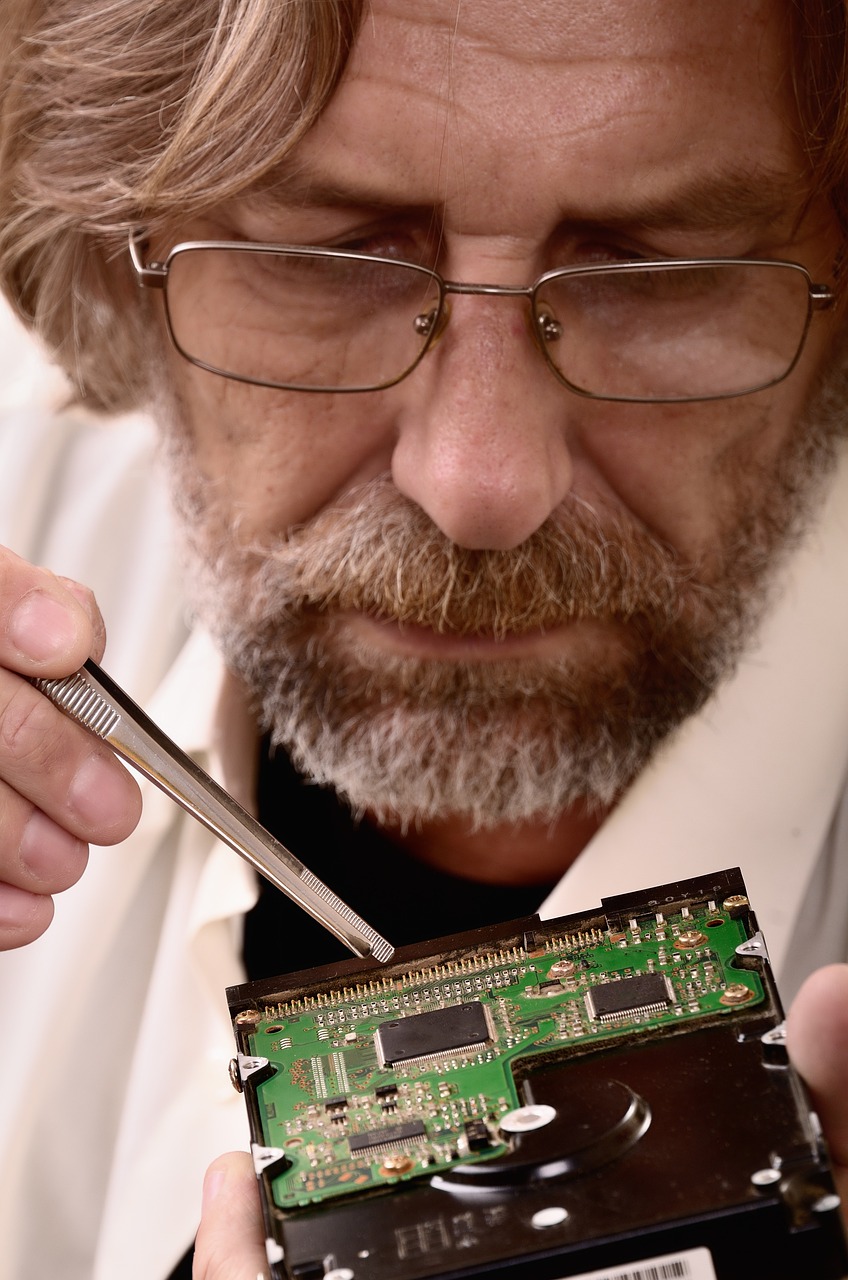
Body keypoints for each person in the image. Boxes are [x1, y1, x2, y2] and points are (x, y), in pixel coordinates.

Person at [0, 0, 847, 1276]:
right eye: (329, 257)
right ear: (122, 245)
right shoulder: (27, 485)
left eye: (655, 272)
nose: (477, 486)